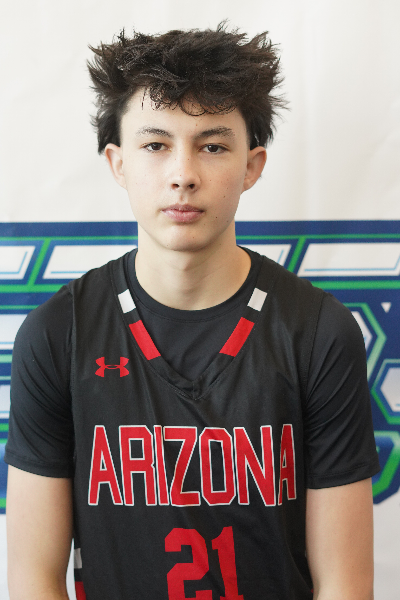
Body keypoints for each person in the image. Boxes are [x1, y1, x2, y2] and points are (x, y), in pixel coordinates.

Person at [5, 23, 379, 600]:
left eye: (213, 146)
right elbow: (34, 577)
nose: (183, 175)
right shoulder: (59, 333)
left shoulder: (318, 332)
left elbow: (345, 584)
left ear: (252, 165)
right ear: (118, 163)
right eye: (156, 145)